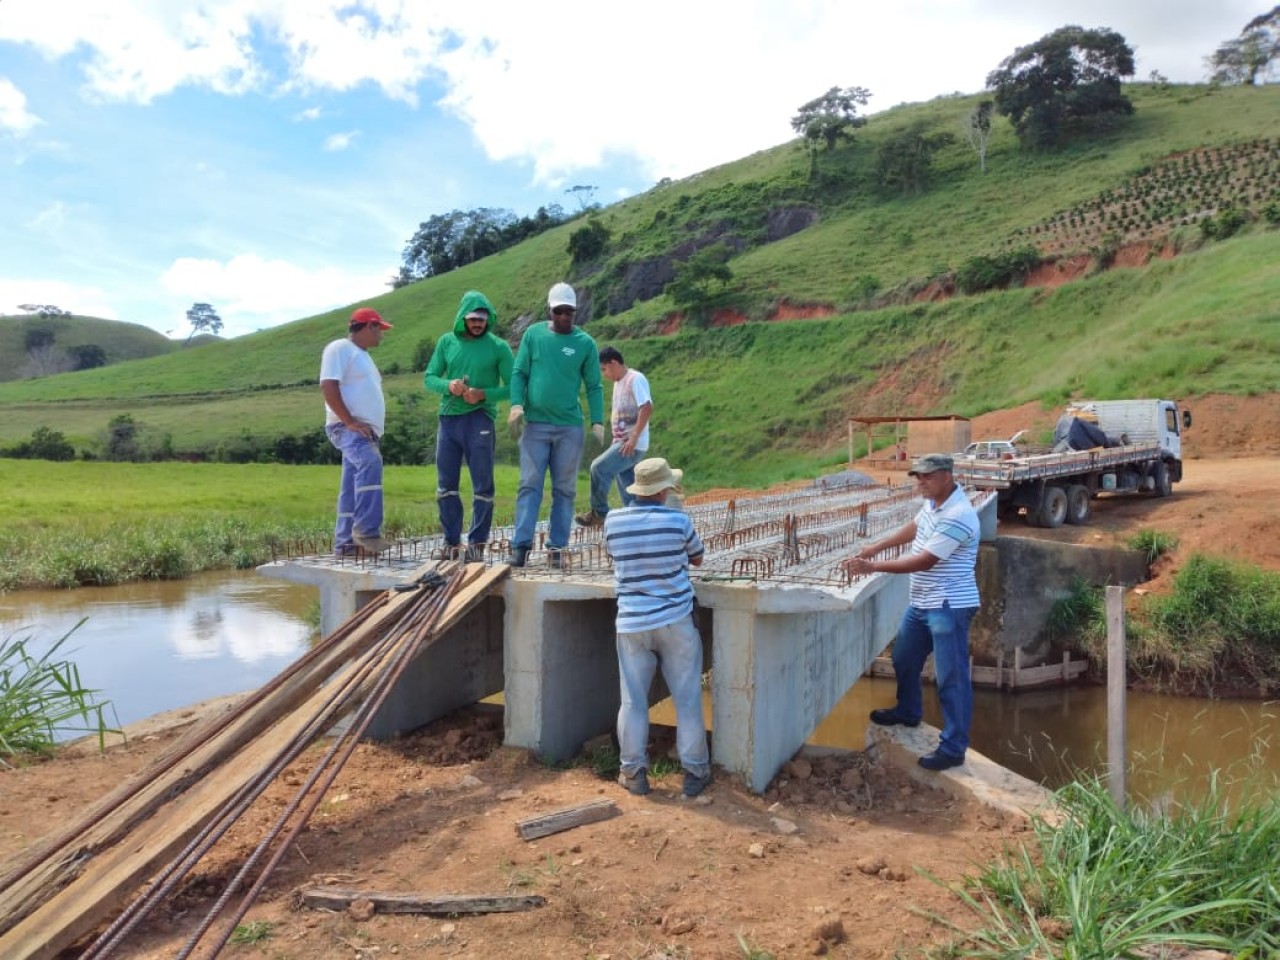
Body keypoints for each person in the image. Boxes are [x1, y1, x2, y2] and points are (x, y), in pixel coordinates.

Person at [840, 453, 980, 771]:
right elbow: (915, 527)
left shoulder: (958, 514)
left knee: (951, 677)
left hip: (948, 605)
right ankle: (908, 711)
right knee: (904, 657)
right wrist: (876, 547)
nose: (921, 482)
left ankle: (953, 747)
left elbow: (925, 561)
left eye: (927, 476)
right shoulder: (933, 503)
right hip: (922, 602)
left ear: (947, 476)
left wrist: (872, 566)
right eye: (918, 476)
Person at [602, 458, 710, 798]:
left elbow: (614, 555)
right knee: (687, 699)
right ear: (664, 490)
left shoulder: (613, 520)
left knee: (633, 702)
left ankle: (633, 773)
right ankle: (694, 772)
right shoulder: (678, 520)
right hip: (675, 620)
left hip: (632, 622)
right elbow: (698, 558)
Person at [506, 282, 605, 567]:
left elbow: (594, 385)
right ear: (549, 310)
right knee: (529, 485)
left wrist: (597, 420)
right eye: (559, 311)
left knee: (564, 489)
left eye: (569, 312)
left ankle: (557, 548)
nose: (563, 316)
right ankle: (521, 547)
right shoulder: (533, 335)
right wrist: (516, 405)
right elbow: (519, 373)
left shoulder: (585, 343)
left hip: (569, 427)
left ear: (575, 312)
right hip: (535, 425)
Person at [424, 290, 514, 561]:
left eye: (482, 319)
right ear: (463, 318)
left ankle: (476, 547)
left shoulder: (499, 347)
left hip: (480, 419)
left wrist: (483, 394)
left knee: (483, 486)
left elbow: (515, 386)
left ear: (488, 319)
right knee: (446, 486)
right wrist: (448, 385)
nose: (477, 324)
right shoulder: (446, 342)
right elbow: (429, 377)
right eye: (473, 319)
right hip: (448, 420)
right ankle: (451, 544)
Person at [320, 306, 393, 555]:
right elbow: (328, 385)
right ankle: (367, 532)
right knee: (370, 463)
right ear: (369, 326)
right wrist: (349, 421)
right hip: (348, 427)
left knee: (352, 485)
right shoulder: (340, 347)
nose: (381, 335)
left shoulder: (361, 355)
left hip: (363, 430)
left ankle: (345, 544)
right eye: (379, 329)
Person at [575, 346, 652, 528]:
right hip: (622, 441)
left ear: (614, 363)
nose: (604, 374)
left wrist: (633, 437)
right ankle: (638, 521)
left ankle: (599, 513)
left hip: (631, 443)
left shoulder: (635, 379)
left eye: (604, 369)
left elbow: (646, 407)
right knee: (628, 487)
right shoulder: (619, 383)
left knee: (598, 468)